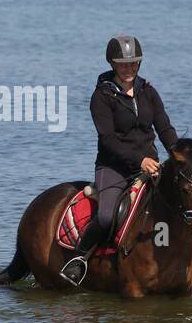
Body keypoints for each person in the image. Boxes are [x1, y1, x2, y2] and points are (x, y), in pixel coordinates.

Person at [60, 35, 179, 286]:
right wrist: (140, 160)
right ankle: (79, 260)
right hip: (113, 167)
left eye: (134, 63)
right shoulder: (102, 97)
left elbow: (165, 129)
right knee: (105, 217)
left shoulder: (149, 92)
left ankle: (182, 260)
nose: (129, 69)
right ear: (112, 64)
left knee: (179, 206)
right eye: (123, 64)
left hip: (150, 166)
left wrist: (179, 155)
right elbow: (108, 140)